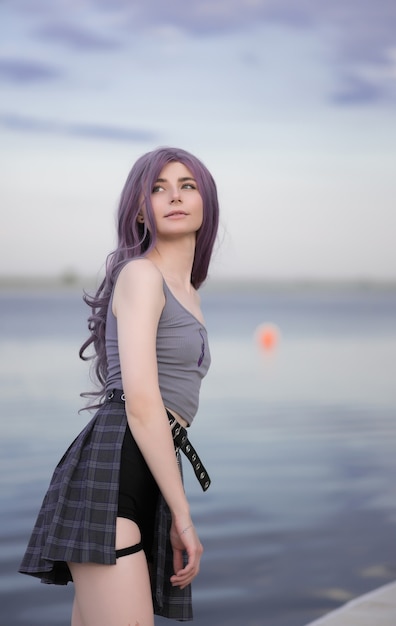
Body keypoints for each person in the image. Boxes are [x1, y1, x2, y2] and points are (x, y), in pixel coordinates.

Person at [19, 146, 220, 625]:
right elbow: (143, 404)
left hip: (147, 466)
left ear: (205, 202)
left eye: (187, 186)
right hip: (114, 468)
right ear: (139, 210)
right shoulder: (141, 275)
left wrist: (172, 507)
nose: (174, 196)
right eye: (158, 188)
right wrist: (184, 516)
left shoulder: (187, 291)